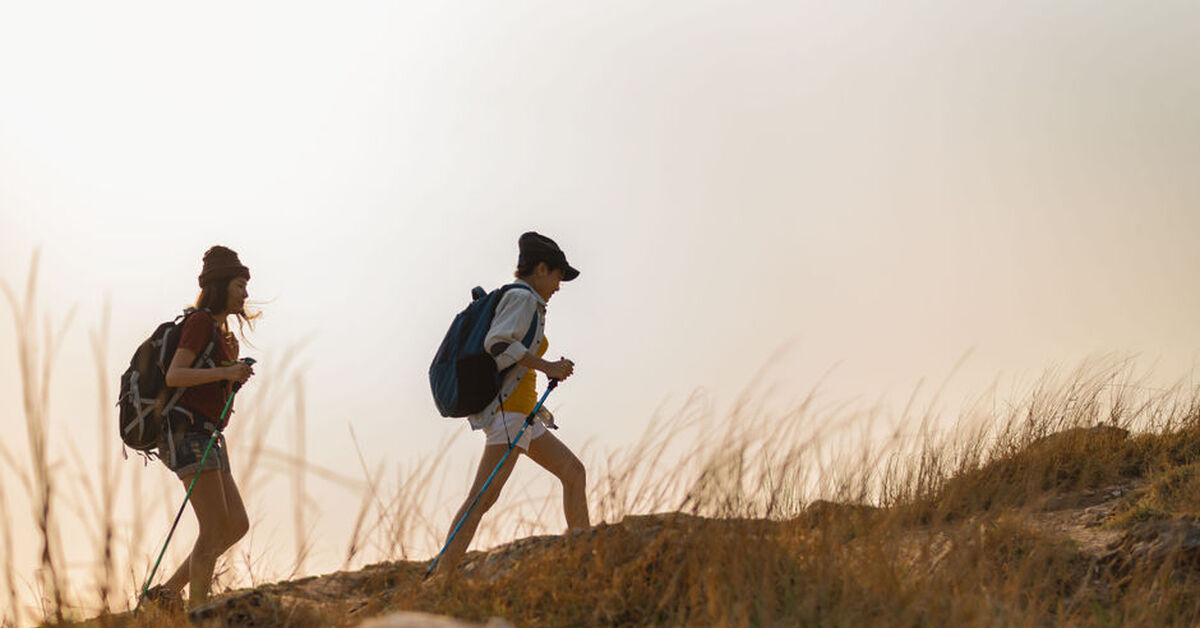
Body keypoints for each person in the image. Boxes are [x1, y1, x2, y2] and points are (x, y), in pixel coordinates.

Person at [430, 232, 589, 577]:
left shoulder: (527, 300)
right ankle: (441, 578)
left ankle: (585, 557)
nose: (560, 286)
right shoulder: (522, 298)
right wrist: (547, 366)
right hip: (508, 416)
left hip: (523, 416)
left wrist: (543, 369)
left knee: (574, 473)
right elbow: (497, 344)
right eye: (559, 276)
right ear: (542, 269)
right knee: (481, 499)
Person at [143, 245, 257, 610]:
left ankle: (166, 593)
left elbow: (210, 389)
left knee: (236, 524)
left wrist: (233, 377)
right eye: (240, 285)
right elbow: (175, 375)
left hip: (208, 435)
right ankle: (198, 612)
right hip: (186, 433)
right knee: (212, 529)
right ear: (221, 285)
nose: (246, 293)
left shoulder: (224, 336)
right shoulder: (199, 323)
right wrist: (226, 371)